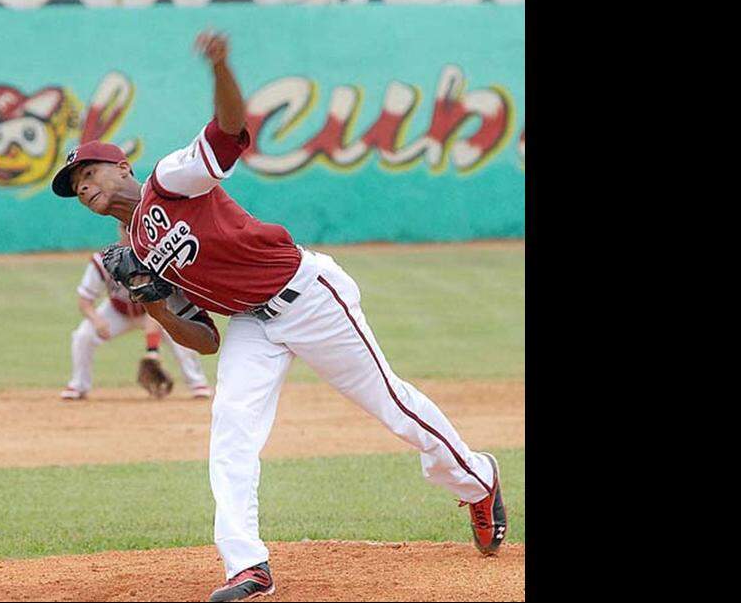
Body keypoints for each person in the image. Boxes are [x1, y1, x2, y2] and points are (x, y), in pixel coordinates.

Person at [50, 30, 506, 602]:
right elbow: (205, 340)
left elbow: (228, 134)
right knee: (231, 430)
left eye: (90, 172)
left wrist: (220, 66)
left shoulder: (170, 181)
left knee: (391, 406)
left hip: (308, 295)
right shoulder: (134, 250)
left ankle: (477, 479)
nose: (85, 185)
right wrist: (153, 305)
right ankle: (247, 566)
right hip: (251, 324)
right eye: (76, 185)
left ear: (122, 167)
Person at [63, 222, 212, 400]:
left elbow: (159, 307)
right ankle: (78, 385)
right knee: (83, 336)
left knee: (181, 333)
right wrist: (96, 320)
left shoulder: (156, 258)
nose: (128, 232)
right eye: (124, 228)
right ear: (119, 230)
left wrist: (152, 350)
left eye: (132, 228)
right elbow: (85, 301)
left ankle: (197, 383)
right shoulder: (103, 260)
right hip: (117, 311)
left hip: (154, 311)